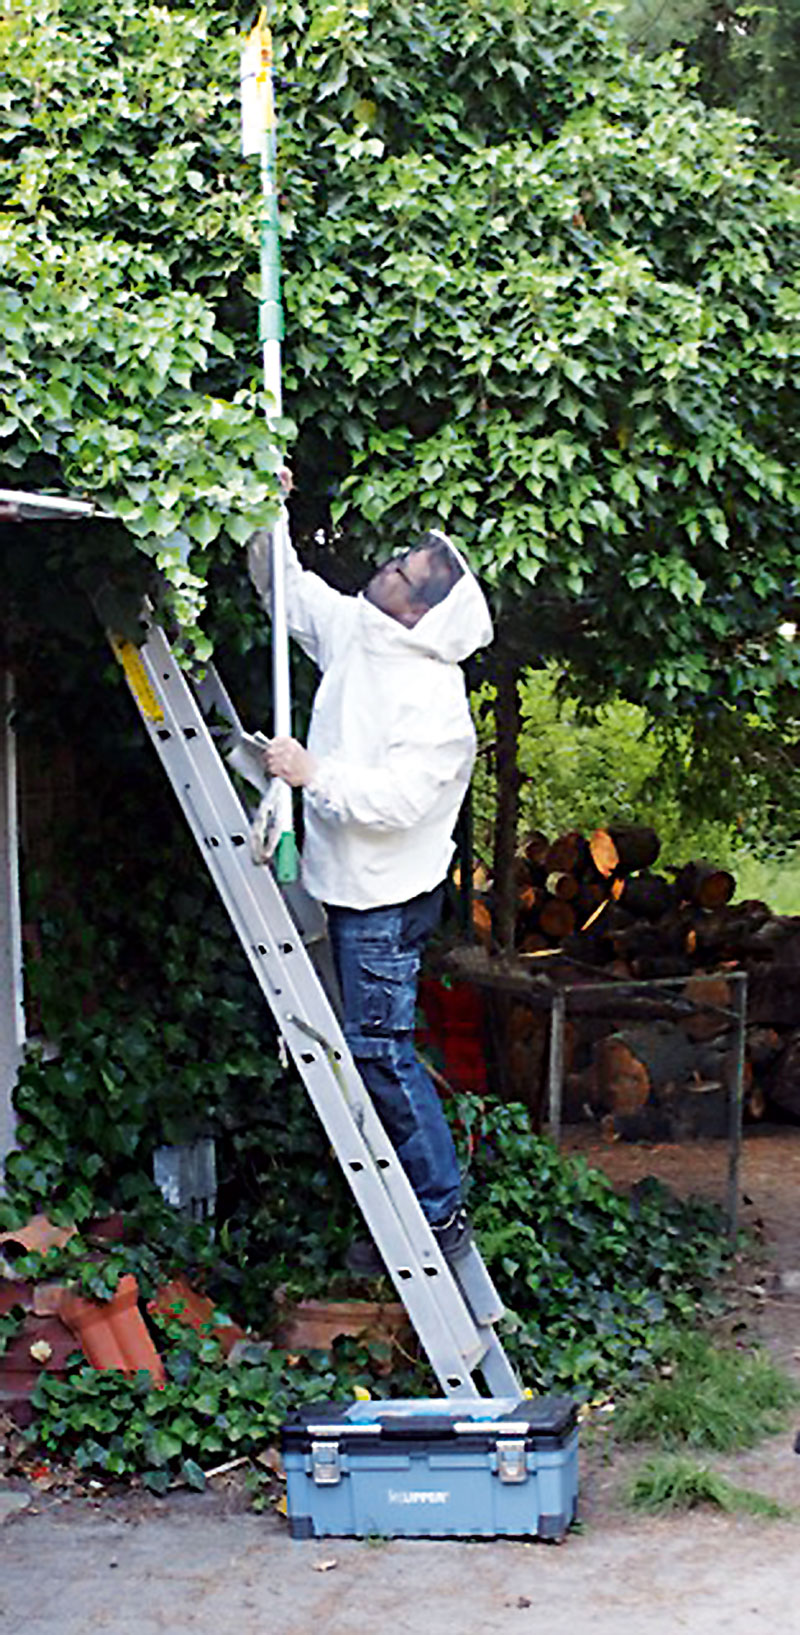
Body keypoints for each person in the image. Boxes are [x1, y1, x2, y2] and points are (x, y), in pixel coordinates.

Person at [247, 512, 493, 1268]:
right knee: (368, 1050)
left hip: (386, 896)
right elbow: (283, 590)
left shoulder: (438, 701)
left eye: (405, 576)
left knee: (379, 1052)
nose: (387, 570)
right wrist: (268, 510)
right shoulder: (359, 629)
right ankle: (416, 1202)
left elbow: (399, 802)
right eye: (397, 562)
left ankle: (438, 1214)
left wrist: (311, 774)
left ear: (423, 612)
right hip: (341, 880)